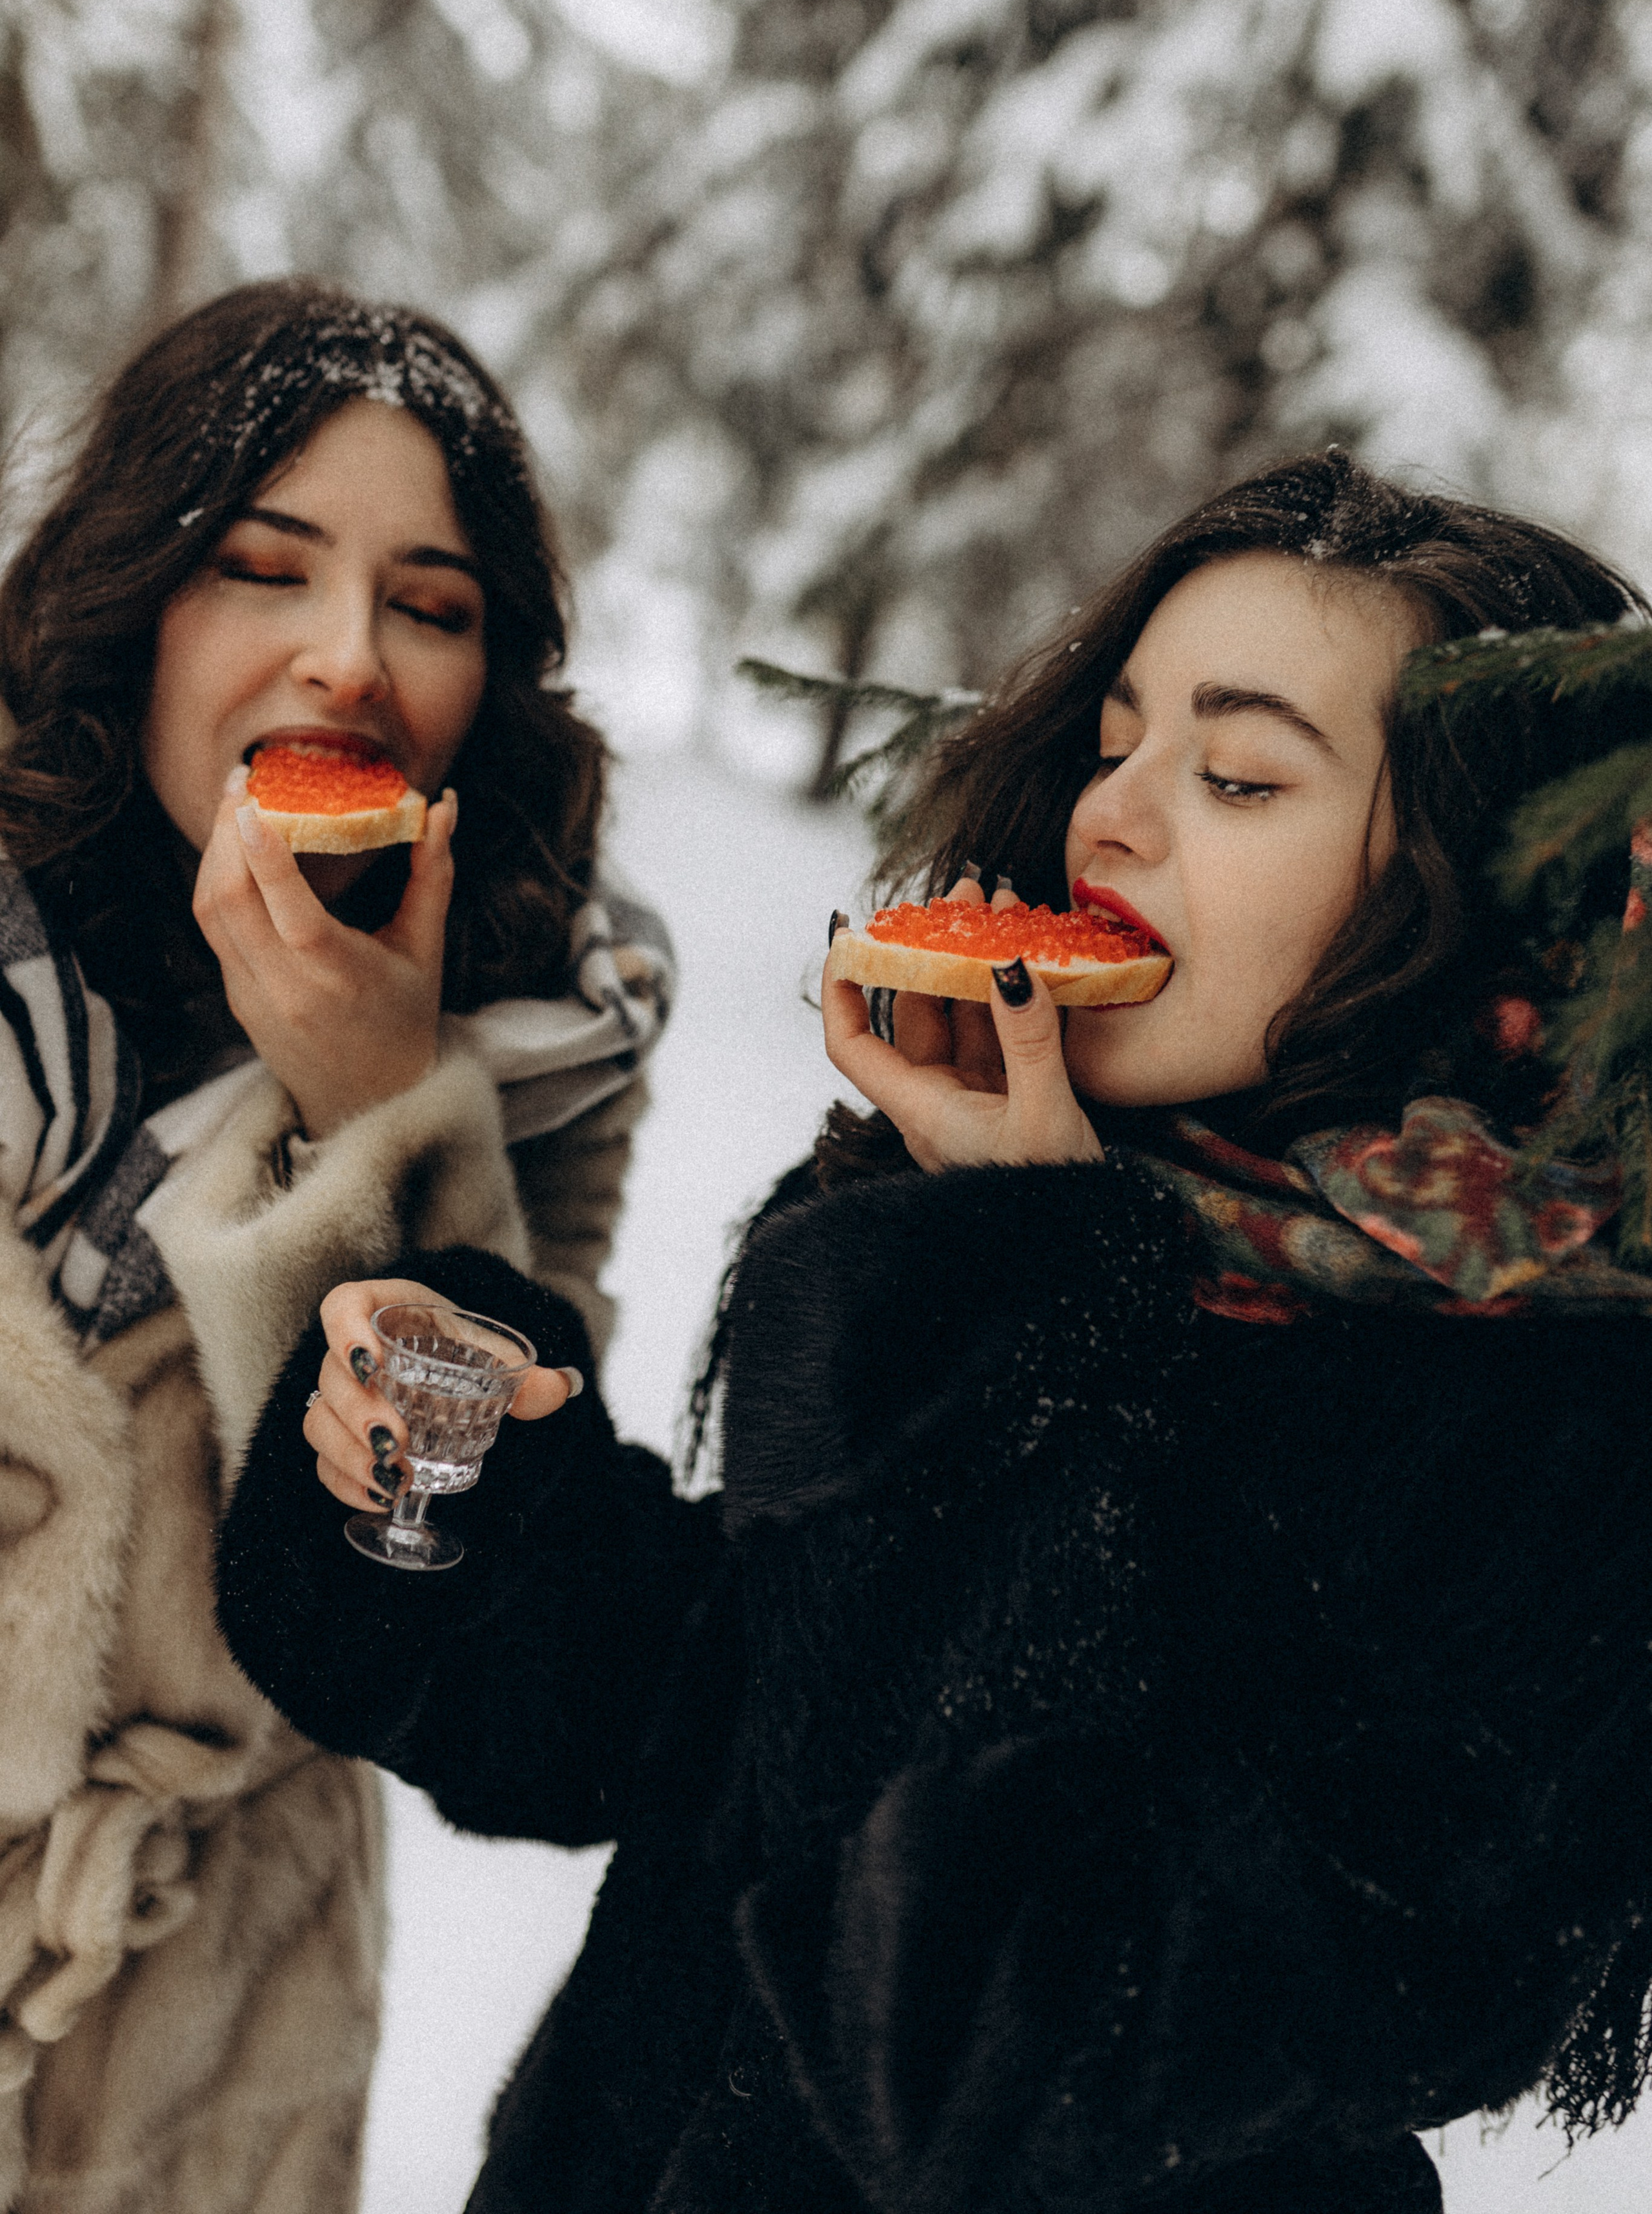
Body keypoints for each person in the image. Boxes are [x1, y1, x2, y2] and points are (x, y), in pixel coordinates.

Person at [218, 449, 1652, 2214]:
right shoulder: (1054, 1215)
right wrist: (440, 1459)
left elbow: (1001, 2024)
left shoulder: (1562, 1443)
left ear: (1492, 890)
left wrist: (1018, 1307)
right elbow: (701, 1738)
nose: (1111, 816)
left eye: (1239, 772)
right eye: (1117, 741)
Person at [0, 280, 665, 2214]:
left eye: (431, 607)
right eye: (264, 570)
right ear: (137, 600)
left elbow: (446, 1579)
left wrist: (380, 1123)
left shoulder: (551, 1042)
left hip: (216, 2027)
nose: (345, 663)